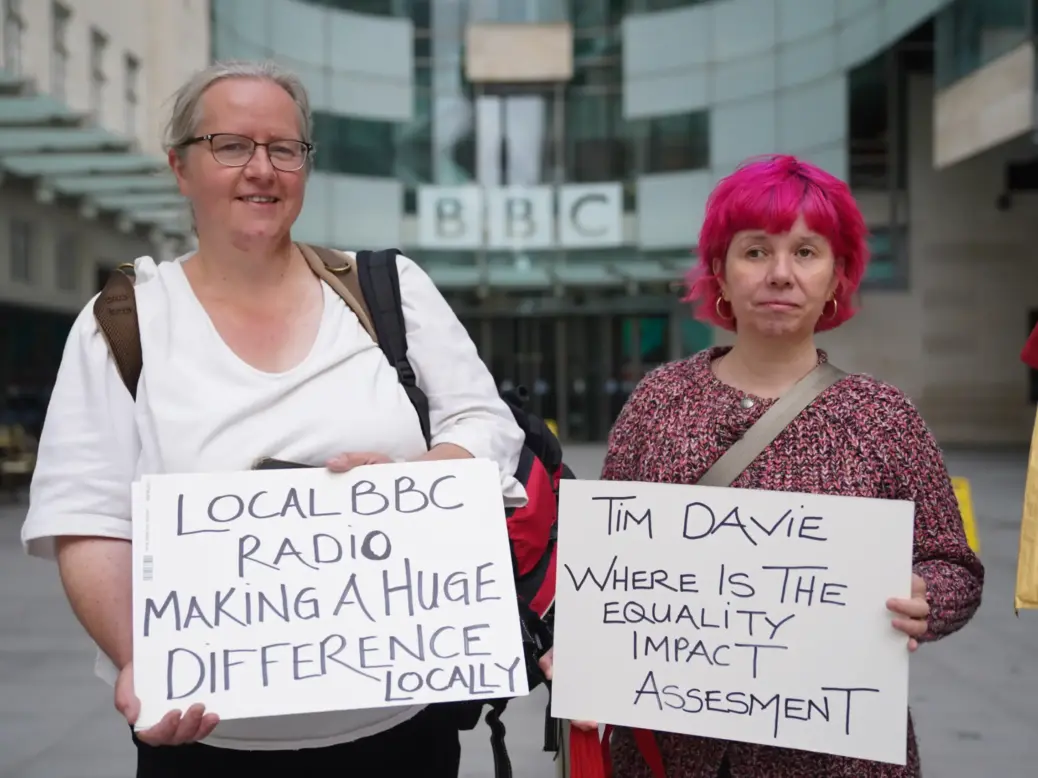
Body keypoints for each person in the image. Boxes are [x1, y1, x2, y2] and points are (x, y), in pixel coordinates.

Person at [20, 60, 527, 777]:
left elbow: (486, 425)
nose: (261, 169)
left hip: (399, 726)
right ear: (180, 166)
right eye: (231, 145)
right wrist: (142, 661)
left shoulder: (386, 289)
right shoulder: (127, 319)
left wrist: (420, 479)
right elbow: (87, 517)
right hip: (207, 740)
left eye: (283, 149)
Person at [541, 154, 985, 777]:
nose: (780, 274)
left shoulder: (883, 416)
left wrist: (929, 597)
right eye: (755, 252)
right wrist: (586, 650)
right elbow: (608, 567)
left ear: (837, 277)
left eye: (806, 253)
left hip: (839, 758)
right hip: (669, 755)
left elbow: (955, 566)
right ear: (720, 273)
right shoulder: (657, 402)